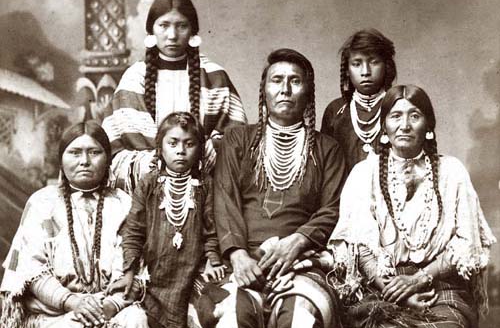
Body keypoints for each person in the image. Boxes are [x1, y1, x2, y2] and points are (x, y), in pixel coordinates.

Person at [328, 85, 497, 328]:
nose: (404, 125)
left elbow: (465, 242)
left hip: (439, 285)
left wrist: (420, 278)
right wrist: (396, 290)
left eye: (414, 116)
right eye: (396, 116)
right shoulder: (365, 173)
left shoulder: (452, 172)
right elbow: (359, 245)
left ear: (428, 126)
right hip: (382, 287)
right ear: (384, 126)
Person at [209, 48, 347, 328]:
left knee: (298, 315)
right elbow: (224, 199)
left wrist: (295, 243)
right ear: (264, 91)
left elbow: (332, 208)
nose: (285, 89)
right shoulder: (237, 140)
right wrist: (238, 255)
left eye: (295, 81)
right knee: (235, 313)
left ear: (308, 93)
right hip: (245, 261)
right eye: (276, 80)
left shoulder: (326, 149)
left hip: (301, 262)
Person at [0, 121, 147, 328]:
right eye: (75, 152)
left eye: (94, 152)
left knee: (135, 319)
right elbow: (31, 269)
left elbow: (135, 267)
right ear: (61, 160)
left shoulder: (124, 204)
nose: (85, 161)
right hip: (55, 312)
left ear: (107, 159)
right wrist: (72, 301)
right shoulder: (42, 203)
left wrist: (111, 305)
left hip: (110, 307)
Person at [100, 0, 247, 193]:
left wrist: (204, 153)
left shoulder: (214, 76)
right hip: (145, 189)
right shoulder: (134, 79)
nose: (172, 35)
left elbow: (236, 136)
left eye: (181, 26)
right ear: (151, 30)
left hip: (207, 188)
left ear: (193, 31)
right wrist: (158, 162)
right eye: (164, 25)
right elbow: (113, 146)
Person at [110, 112, 224, 328]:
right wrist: (129, 271)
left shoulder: (206, 185)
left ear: (199, 149)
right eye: (173, 143)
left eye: (189, 144)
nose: (181, 151)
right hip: (156, 273)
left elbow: (212, 227)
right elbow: (134, 230)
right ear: (160, 148)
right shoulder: (148, 184)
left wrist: (212, 260)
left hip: (192, 271)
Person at [321, 29, 396, 172]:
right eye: (357, 64)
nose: (366, 71)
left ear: (386, 66)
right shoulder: (336, 111)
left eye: (374, 62)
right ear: (347, 70)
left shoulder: (398, 107)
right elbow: (326, 167)